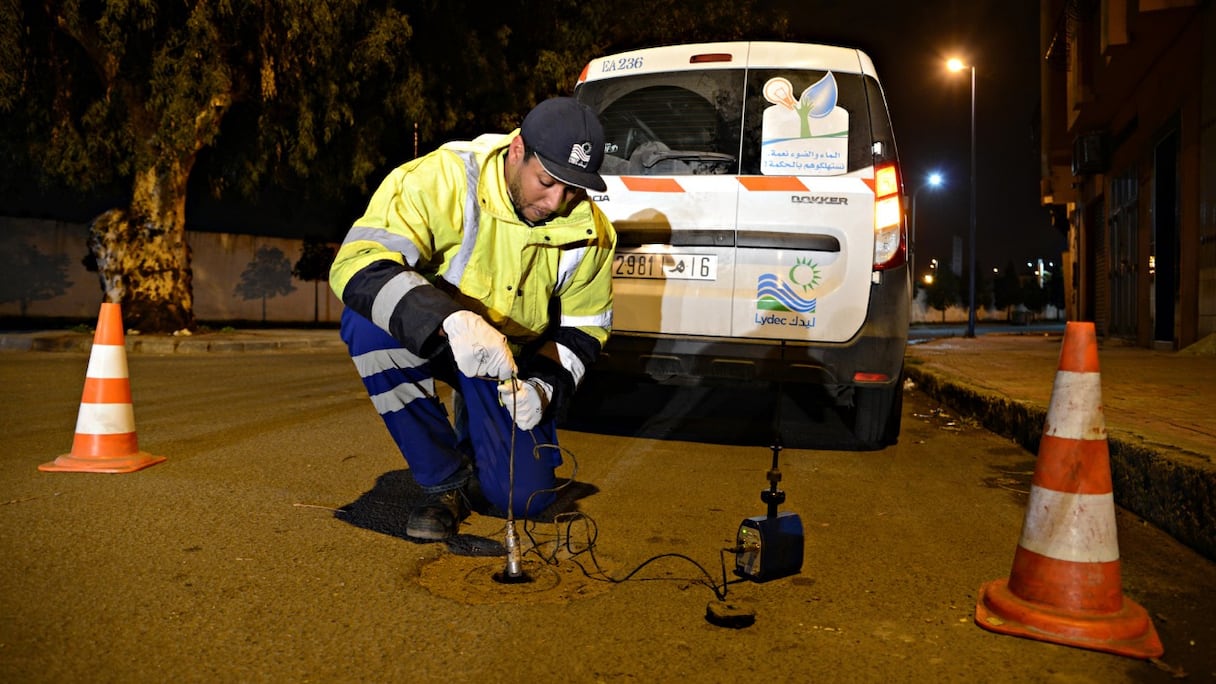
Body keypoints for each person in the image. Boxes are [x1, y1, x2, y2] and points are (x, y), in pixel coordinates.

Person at [329, 97, 616, 541]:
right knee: (367, 326)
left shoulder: (593, 232)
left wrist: (543, 386)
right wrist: (448, 320)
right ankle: (443, 480)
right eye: (547, 181)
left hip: (511, 367)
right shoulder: (443, 177)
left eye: (573, 188)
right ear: (518, 150)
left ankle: (478, 440)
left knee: (524, 501)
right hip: (442, 335)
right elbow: (360, 264)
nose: (557, 201)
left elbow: (585, 327)